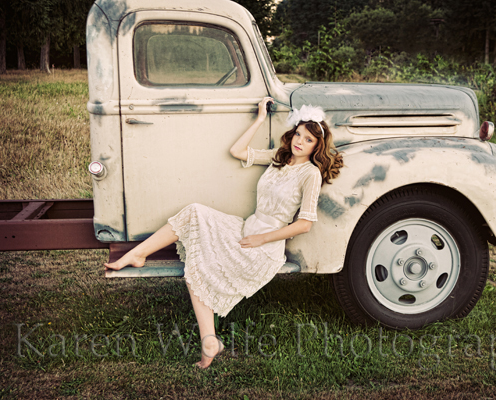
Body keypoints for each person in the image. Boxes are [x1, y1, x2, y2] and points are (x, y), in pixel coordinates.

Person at [104, 97, 343, 368]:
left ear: (317, 146)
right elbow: (237, 151)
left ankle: (209, 341)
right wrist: (259, 120)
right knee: (194, 214)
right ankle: (138, 255)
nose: (300, 141)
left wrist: (262, 238)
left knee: (198, 269)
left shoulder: (310, 174)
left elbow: (305, 224)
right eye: (298, 134)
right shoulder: (280, 159)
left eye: (308, 139)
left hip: (263, 245)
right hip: (245, 228)